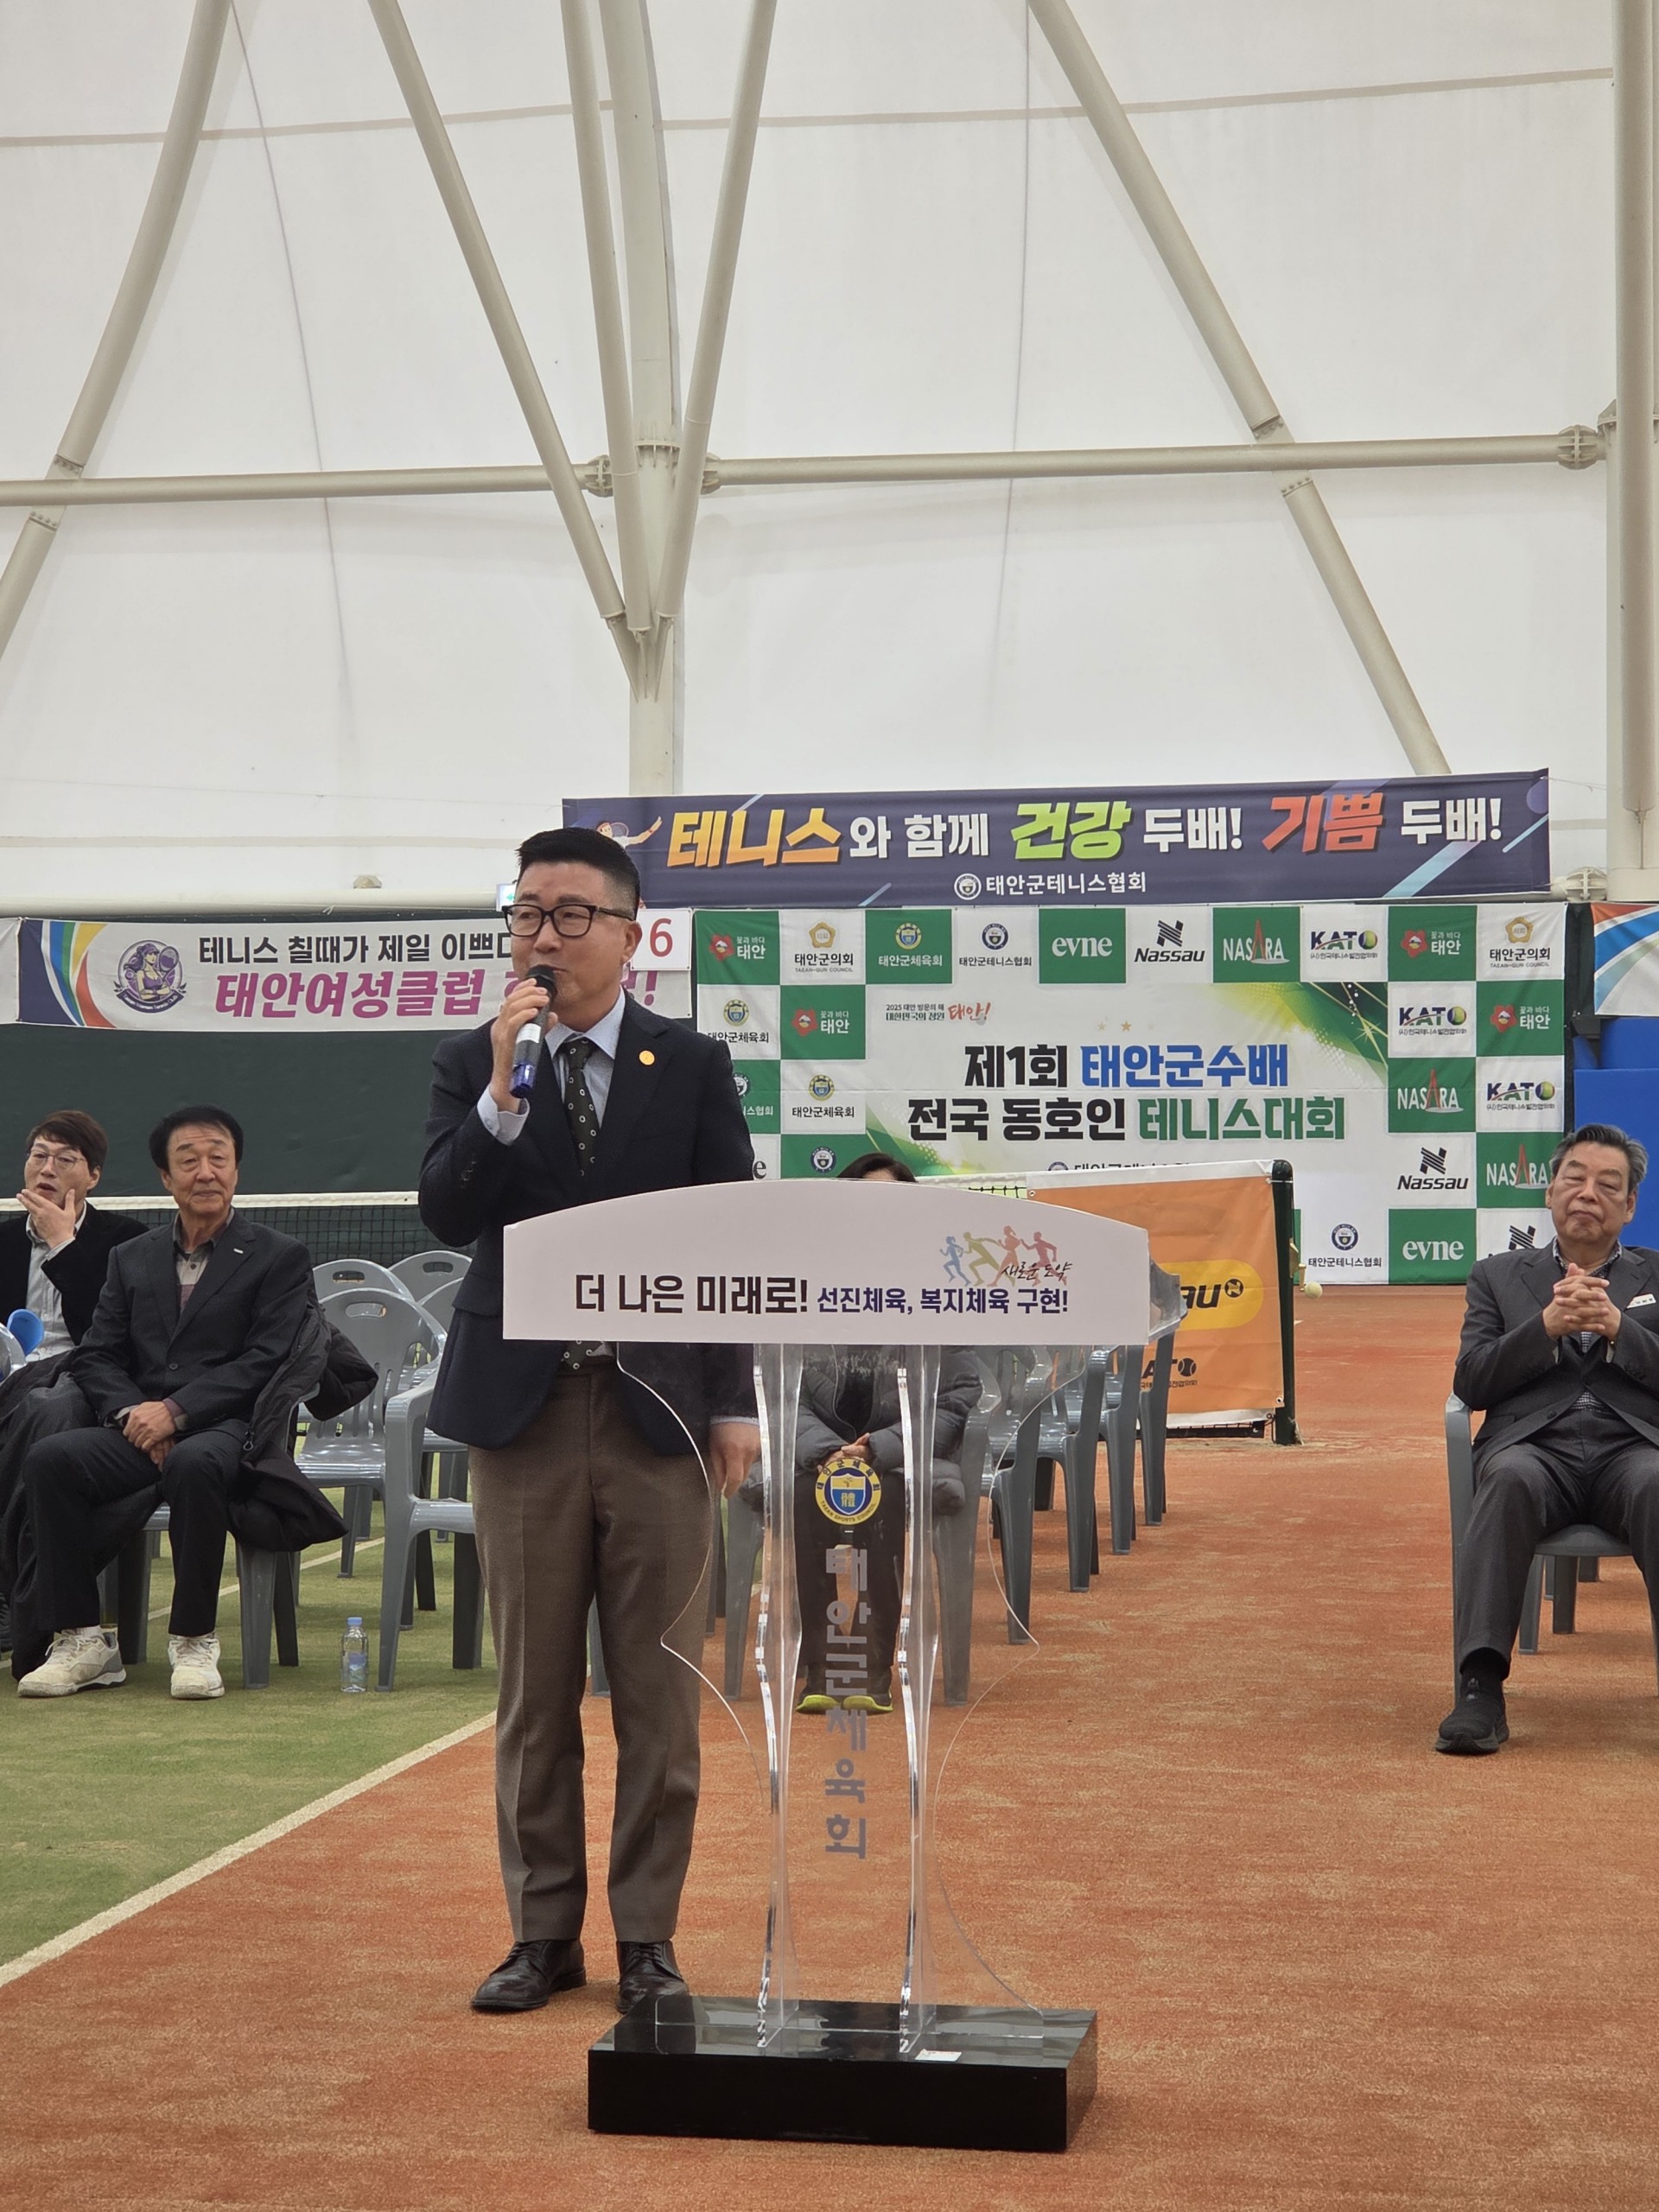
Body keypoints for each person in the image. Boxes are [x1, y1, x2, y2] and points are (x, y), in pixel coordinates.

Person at [419, 825, 759, 2018]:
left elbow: (729, 1238)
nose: (543, 937)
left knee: (659, 1694)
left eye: (570, 915)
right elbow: (446, 1210)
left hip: (657, 1410)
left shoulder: (691, 1063)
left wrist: (734, 1400)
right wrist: (500, 1096)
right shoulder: (474, 1063)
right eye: (526, 914)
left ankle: (649, 1940)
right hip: (521, 1412)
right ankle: (541, 1935)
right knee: (534, 1692)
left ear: (628, 933)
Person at [15, 1107, 312, 1702]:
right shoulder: (132, 1257)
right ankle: (82, 1640)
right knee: (52, 1459)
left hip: (229, 1428)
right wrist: (134, 1414)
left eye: (218, 1159)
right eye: (189, 1161)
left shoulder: (279, 1255)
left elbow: (266, 1360)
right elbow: (97, 1354)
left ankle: (194, 1639)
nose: (206, 1172)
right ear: (165, 1177)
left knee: (194, 1463)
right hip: (137, 1426)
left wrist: (175, 1413)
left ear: (236, 1170)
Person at [1439, 1123, 1659, 1755]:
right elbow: (1472, 1381)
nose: (1588, 1194)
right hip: (1535, 1450)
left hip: (1633, 1449)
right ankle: (1480, 1689)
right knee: (1507, 1478)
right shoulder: (1497, 1276)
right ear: (1550, 1190)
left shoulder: (1656, 1273)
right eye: (1575, 1178)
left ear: (1629, 1206)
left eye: (1608, 1185)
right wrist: (1545, 1327)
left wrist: (1619, 1328)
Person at [792, 1153, 978, 1715]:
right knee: (805, 1495)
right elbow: (778, 1393)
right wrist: (827, 1451)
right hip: (819, 1458)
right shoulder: (804, 1284)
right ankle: (821, 1663)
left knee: (886, 1495)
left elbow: (955, 1396)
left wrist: (878, 1449)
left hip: (898, 1457)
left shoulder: (936, 1289)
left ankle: (872, 1664)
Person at [0, 1111, 146, 1357]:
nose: (47, 1170)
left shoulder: (128, 1240)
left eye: (65, 1159)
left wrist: (61, 1244)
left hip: (85, 1370)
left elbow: (118, 1332)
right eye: (39, 1156)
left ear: (93, 1177)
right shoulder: (4, 1240)